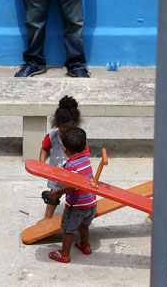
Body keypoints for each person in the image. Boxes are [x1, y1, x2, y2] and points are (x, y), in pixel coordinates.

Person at [45, 127, 97, 263]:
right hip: (91, 203)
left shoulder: (71, 165)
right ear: (84, 146)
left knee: (68, 229)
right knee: (84, 225)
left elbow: (73, 185)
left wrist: (58, 192)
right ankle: (85, 246)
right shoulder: (86, 159)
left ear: (64, 148)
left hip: (77, 206)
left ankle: (65, 254)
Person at [38, 96, 90, 221]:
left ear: (75, 125)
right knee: (52, 195)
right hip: (56, 173)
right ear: (57, 125)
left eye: (68, 130)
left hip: (74, 174)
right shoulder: (52, 136)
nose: (64, 134)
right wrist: (42, 163)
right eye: (62, 131)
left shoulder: (79, 138)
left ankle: (75, 216)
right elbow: (44, 148)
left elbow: (85, 156)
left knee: (75, 196)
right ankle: (47, 217)